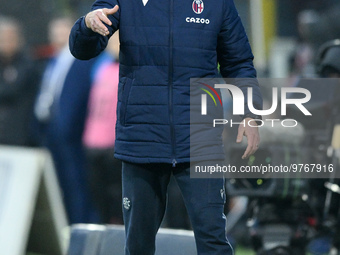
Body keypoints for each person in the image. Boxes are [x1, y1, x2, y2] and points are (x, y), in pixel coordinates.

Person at [69, 0, 262, 254]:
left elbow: (238, 62)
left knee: (213, 242)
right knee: (138, 245)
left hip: (199, 138)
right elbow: (83, 49)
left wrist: (249, 113)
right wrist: (86, 25)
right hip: (141, 138)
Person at [0, 16, 40, 147]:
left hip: (20, 136)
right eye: (3, 39)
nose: (6, 43)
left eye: (10, 38)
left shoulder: (28, 64)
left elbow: (11, 89)